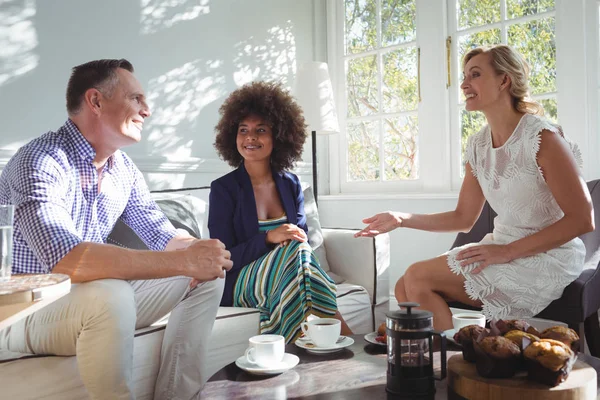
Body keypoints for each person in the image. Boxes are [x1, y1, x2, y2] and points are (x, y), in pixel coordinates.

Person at [0, 59, 233, 399]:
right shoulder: (39, 160)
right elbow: (67, 260)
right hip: (20, 310)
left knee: (211, 272)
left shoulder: (122, 169)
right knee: (113, 293)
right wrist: (184, 262)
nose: (147, 110)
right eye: (136, 98)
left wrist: (197, 251)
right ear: (95, 101)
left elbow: (160, 232)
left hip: (86, 302)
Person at [355, 44, 594, 330]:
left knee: (417, 276)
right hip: (501, 246)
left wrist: (506, 252)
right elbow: (463, 218)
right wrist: (401, 219)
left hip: (546, 256)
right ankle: (462, 355)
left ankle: (450, 363)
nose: (464, 84)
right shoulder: (478, 145)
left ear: (504, 80)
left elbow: (582, 219)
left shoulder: (542, 137)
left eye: (475, 74)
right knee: (403, 287)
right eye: (465, 76)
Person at [209, 81, 352, 343]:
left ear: (279, 136)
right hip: (241, 280)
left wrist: (287, 242)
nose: (250, 137)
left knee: (297, 251)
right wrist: (268, 238)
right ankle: (342, 336)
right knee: (295, 252)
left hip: (290, 271)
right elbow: (224, 256)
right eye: (243, 130)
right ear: (233, 136)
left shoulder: (290, 184)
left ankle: (292, 345)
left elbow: (302, 240)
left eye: (260, 130)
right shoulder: (223, 189)